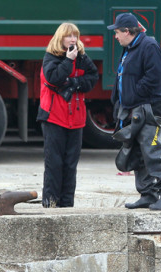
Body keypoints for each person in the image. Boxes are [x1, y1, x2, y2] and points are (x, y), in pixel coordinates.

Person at [108, 12, 161, 210]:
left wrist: (133, 96)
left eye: (117, 32)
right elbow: (123, 75)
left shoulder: (149, 46)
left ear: (127, 31)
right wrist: (118, 100)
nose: (116, 36)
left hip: (148, 109)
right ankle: (147, 194)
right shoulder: (130, 48)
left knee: (152, 152)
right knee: (137, 153)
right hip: (133, 109)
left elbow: (155, 77)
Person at [37, 22, 99, 208]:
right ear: (60, 38)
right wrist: (69, 61)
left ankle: (67, 204)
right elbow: (54, 78)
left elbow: (93, 77)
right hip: (54, 117)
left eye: (76, 36)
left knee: (71, 165)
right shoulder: (51, 57)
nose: (73, 39)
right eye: (69, 36)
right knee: (54, 162)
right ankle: (50, 202)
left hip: (76, 119)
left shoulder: (82, 56)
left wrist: (72, 83)